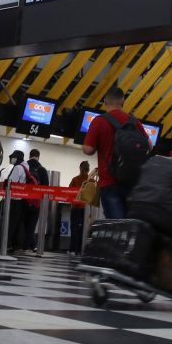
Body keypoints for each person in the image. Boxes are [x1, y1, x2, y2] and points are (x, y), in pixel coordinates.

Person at [82, 87, 147, 219]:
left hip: (109, 182)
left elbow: (88, 149)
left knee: (116, 226)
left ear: (105, 101)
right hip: (132, 183)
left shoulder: (99, 121)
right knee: (130, 225)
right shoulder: (134, 122)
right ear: (123, 102)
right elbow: (149, 145)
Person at [3, 149, 32, 251]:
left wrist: (5, 182)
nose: (12, 159)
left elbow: (12, 182)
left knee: (10, 222)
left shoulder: (18, 168)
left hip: (14, 199)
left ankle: (7, 244)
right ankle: (17, 245)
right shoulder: (26, 166)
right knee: (18, 223)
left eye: (13, 157)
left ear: (17, 158)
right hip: (22, 199)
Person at [24, 148, 51, 251]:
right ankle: (30, 245)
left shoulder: (24, 166)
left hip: (24, 199)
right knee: (32, 224)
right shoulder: (42, 169)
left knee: (23, 223)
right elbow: (46, 187)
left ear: (29, 155)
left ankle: (24, 244)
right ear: (38, 157)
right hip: (36, 201)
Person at [68, 162, 93, 254]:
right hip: (86, 209)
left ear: (80, 168)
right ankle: (81, 249)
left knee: (74, 228)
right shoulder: (91, 181)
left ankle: (73, 249)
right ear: (88, 169)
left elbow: (69, 192)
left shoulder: (75, 179)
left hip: (75, 207)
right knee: (84, 228)